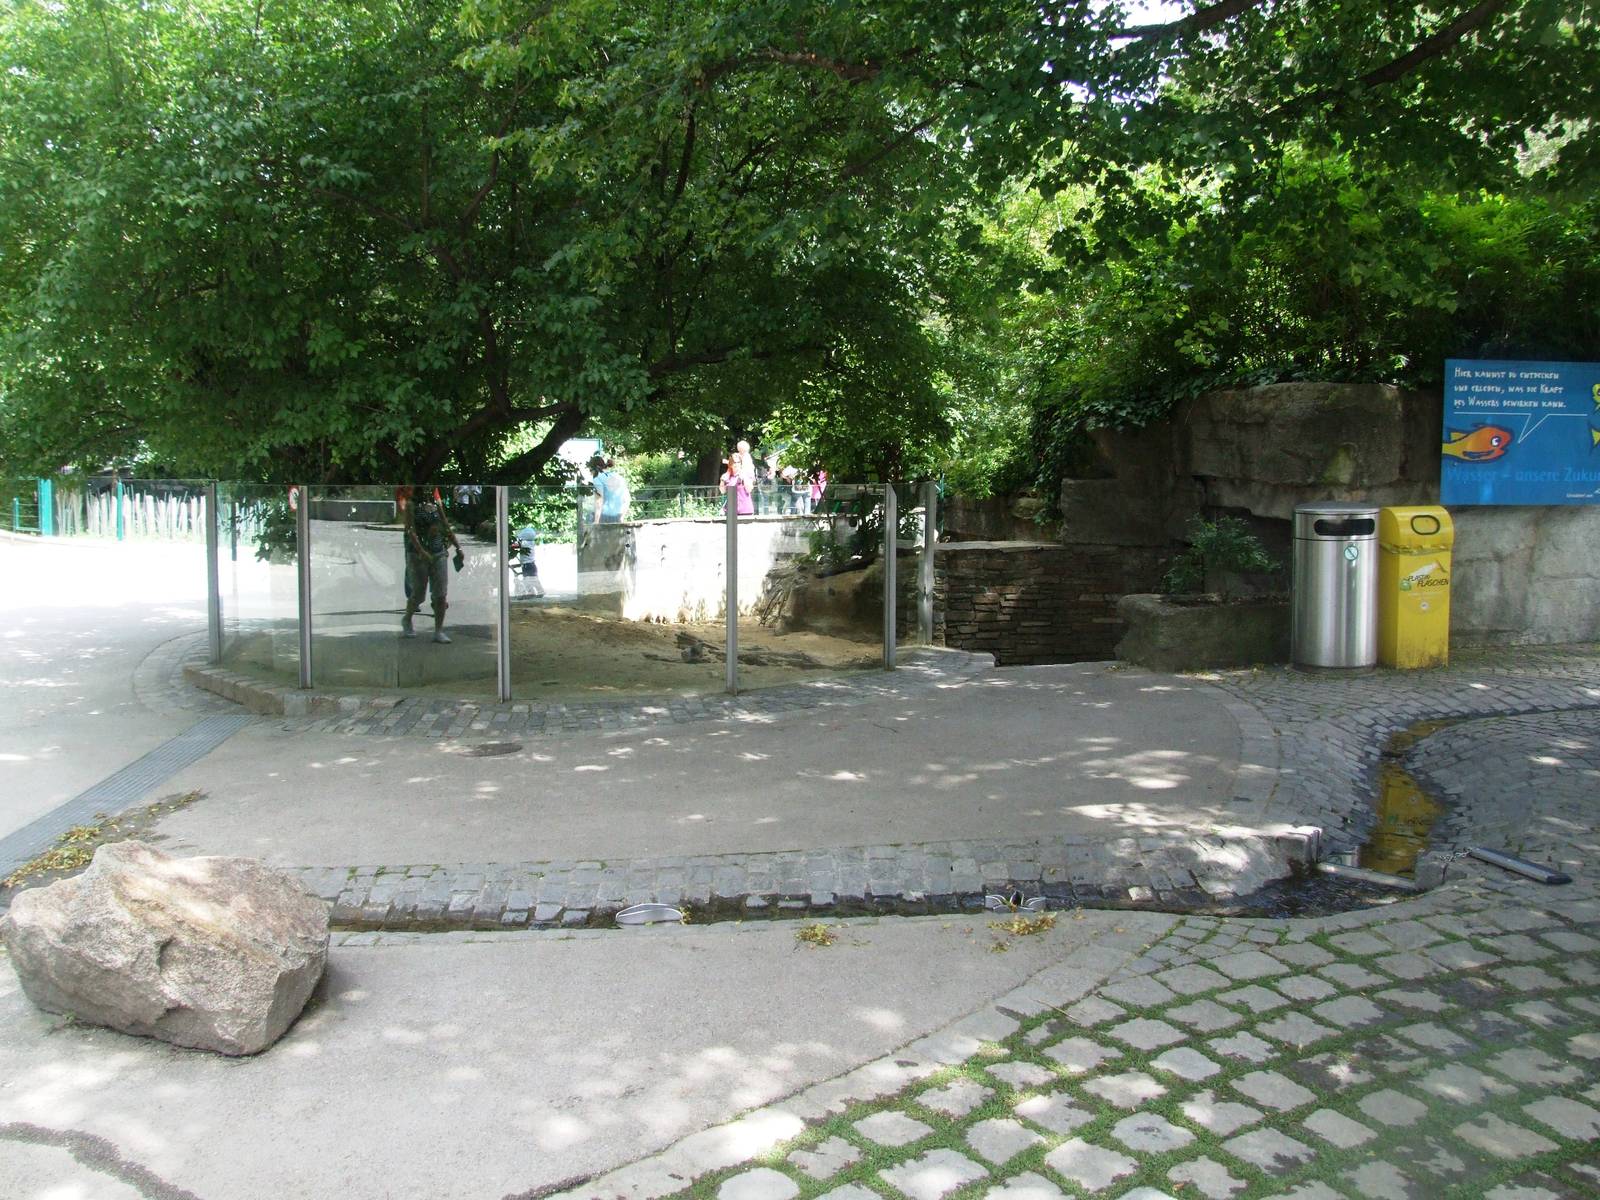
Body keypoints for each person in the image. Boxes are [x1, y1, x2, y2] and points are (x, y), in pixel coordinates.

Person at [402, 488, 462, 643]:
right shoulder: (411, 505)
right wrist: (421, 551)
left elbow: (445, 525)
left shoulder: (436, 505)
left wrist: (458, 547)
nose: (428, 490)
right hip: (418, 555)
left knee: (440, 594)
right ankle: (407, 619)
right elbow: (410, 530)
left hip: (438, 552)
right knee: (419, 594)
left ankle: (438, 631)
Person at [592, 457, 631, 523]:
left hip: (604, 517)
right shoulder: (620, 478)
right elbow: (627, 499)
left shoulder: (597, 479)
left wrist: (596, 522)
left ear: (596, 467)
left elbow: (599, 502)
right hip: (619, 516)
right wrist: (622, 517)